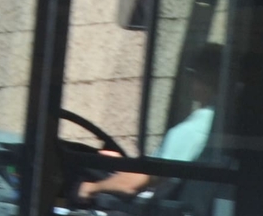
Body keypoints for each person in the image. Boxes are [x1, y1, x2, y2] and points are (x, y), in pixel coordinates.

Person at [78, 44, 220, 200]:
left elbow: (134, 184)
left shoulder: (193, 130)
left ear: (206, 78)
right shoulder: (216, 123)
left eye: (193, 74)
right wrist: (122, 164)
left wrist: (90, 188)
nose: (190, 80)